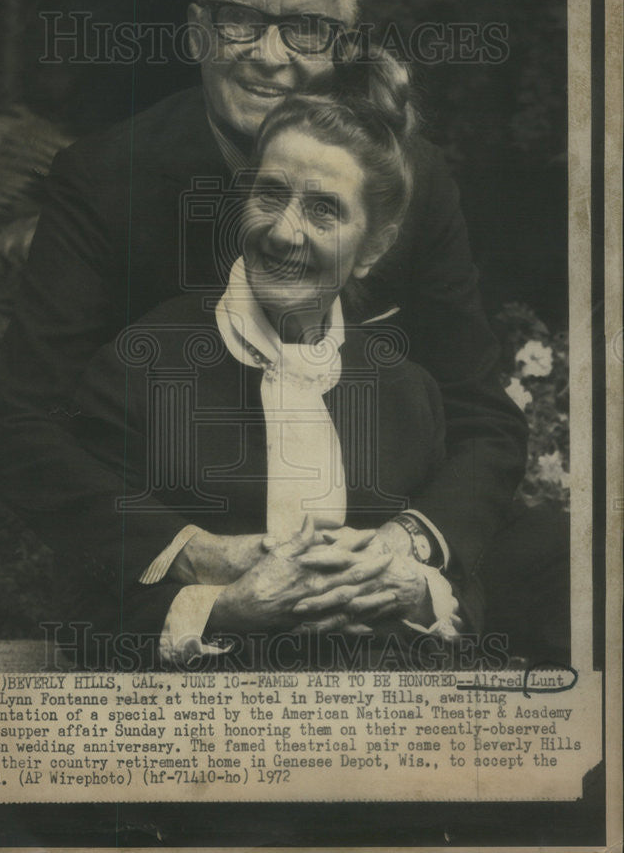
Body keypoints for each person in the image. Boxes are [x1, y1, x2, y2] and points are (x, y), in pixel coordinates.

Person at [0, 0, 527, 664]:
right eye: (239, 20)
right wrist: (195, 553)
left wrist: (407, 546)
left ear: (342, 46)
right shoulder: (108, 180)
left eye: (304, 28)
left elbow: (480, 415)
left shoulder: (409, 179)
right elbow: (23, 426)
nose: (268, 56)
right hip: (179, 588)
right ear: (197, 31)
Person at [70, 90, 471, 667]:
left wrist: (419, 593)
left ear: (373, 246)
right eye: (271, 195)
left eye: (323, 209)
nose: (284, 233)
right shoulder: (141, 365)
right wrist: (225, 609)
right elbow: (82, 606)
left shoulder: (408, 392)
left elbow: (468, 588)